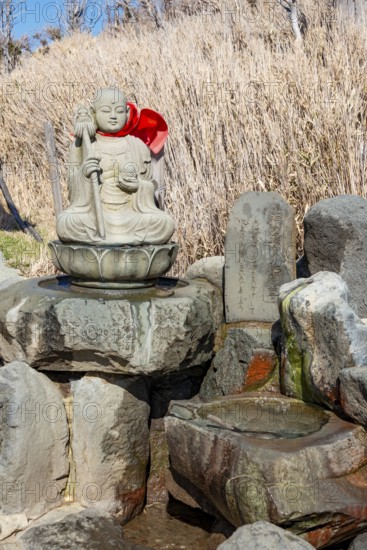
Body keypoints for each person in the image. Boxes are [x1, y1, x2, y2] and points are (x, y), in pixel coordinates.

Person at [56, 88, 175, 245]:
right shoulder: (84, 145)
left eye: (119, 111)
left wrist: (138, 186)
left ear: (127, 113)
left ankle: (105, 241)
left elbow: (149, 184)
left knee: (164, 223)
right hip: (95, 216)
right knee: (66, 222)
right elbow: (72, 191)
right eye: (106, 111)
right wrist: (84, 175)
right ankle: (126, 241)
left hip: (131, 215)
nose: (113, 116)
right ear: (93, 112)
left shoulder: (138, 146)